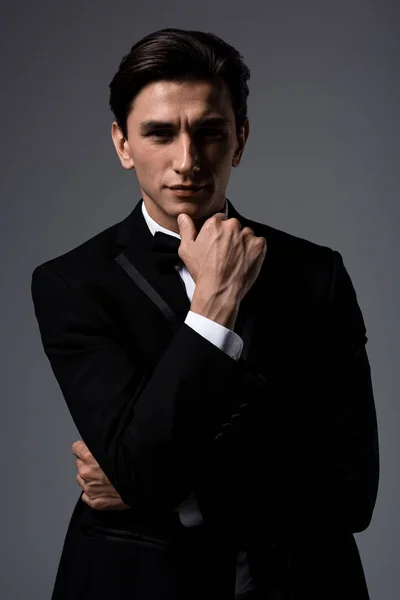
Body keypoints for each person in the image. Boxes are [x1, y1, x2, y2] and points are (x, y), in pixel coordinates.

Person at [31, 27, 379, 600]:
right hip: (136, 584)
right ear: (123, 144)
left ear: (239, 139)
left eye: (210, 132)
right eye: (160, 133)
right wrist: (215, 303)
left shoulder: (317, 274)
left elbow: (351, 492)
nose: (187, 161)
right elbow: (141, 467)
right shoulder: (72, 283)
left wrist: (178, 491)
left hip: (304, 582)